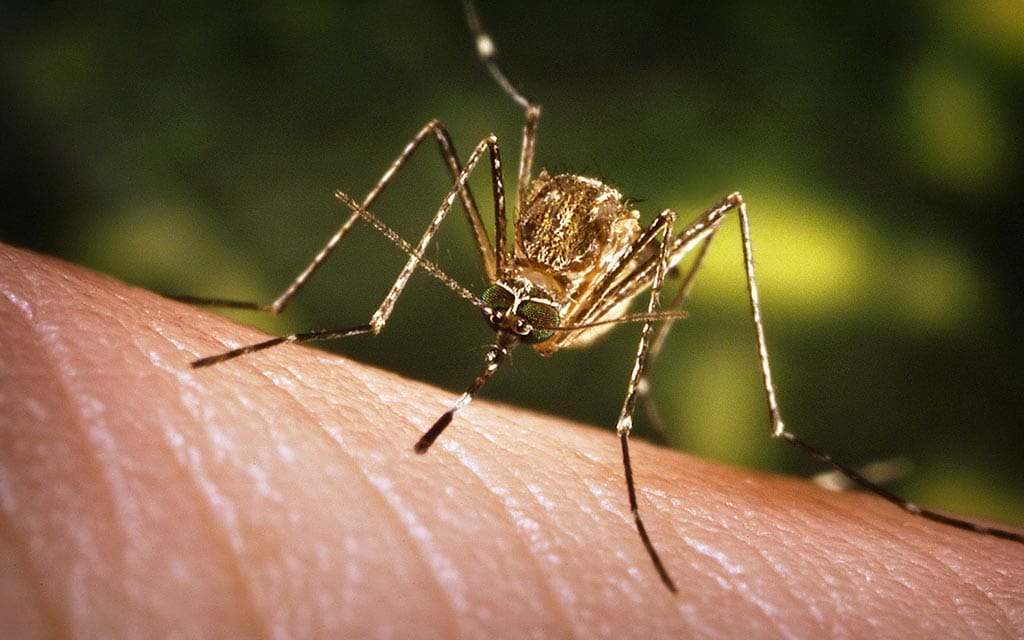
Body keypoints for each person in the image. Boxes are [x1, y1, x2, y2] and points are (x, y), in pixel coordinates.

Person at [2, 242, 1021, 637]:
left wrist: (631, 416)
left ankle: (744, 424)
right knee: (469, 136)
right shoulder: (502, 271)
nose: (506, 333)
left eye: (512, 321)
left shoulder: (590, 294)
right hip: (540, 250)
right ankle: (296, 303)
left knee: (724, 210)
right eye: (501, 315)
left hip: (593, 267)